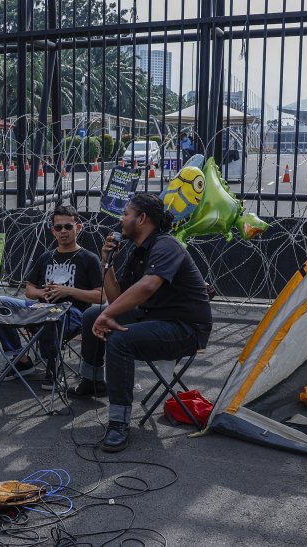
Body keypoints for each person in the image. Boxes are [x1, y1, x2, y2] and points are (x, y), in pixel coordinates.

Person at [73, 193, 212, 453]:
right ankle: (92, 381)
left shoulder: (166, 245)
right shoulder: (138, 252)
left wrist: (108, 315)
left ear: (142, 218)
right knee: (92, 313)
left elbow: (147, 286)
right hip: (154, 317)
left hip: (185, 328)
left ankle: (119, 423)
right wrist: (107, 263)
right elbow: (118, 299)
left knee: (120, 339)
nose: (121, 219)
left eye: (126, 214)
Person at [0, 205, 104, 387]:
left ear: (78, 227)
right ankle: (21, 360)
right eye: (58, 227)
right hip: (41, 308)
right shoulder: (46, 257)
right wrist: (41, 292)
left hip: (71, 313)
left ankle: (52, 364)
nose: (63, 231)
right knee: (0, 303)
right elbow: (29, 289)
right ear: (53, 231)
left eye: (68, 226)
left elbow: (101, 296)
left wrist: (68, 291)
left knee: (53, 316)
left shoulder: (89, 258)